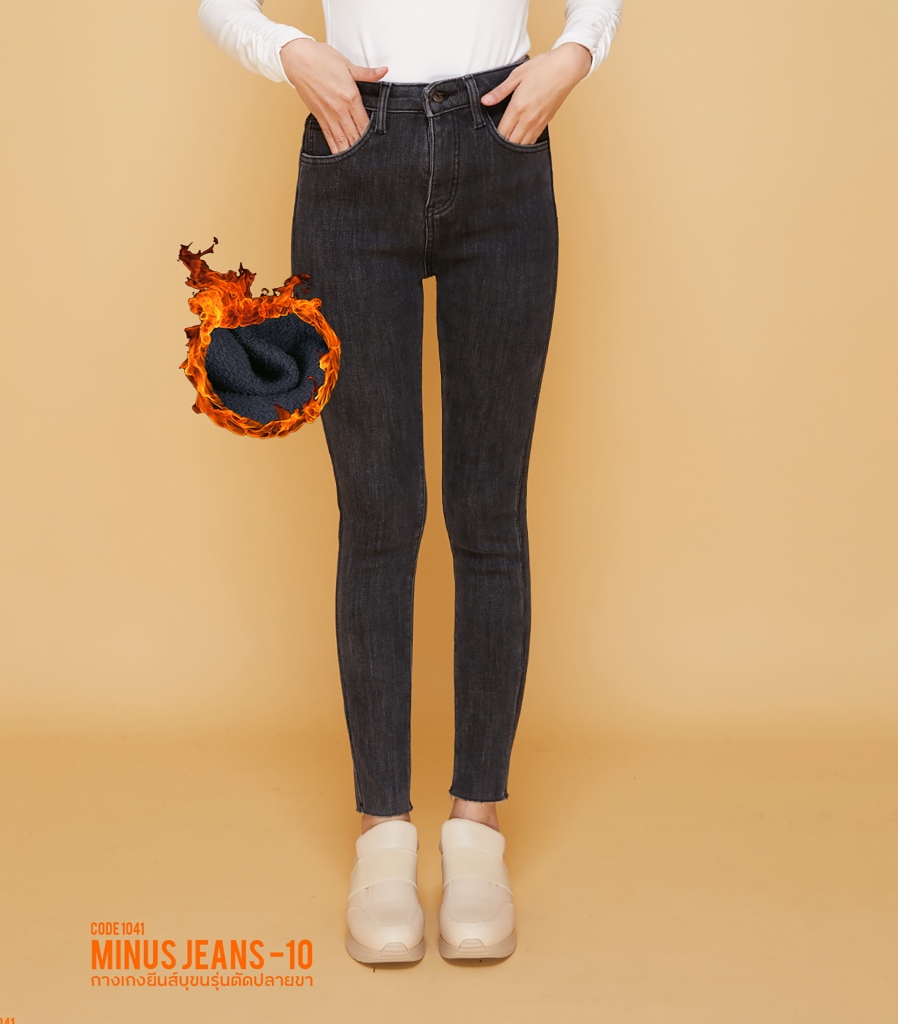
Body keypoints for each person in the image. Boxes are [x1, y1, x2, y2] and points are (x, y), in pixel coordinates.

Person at [197, 0, 623, 964]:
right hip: (357, 153)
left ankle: (477, 831)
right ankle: (382, 835)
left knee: (489, 512)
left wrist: (576, 52)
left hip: (502, 145)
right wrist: (287, 50)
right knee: (379, 514)